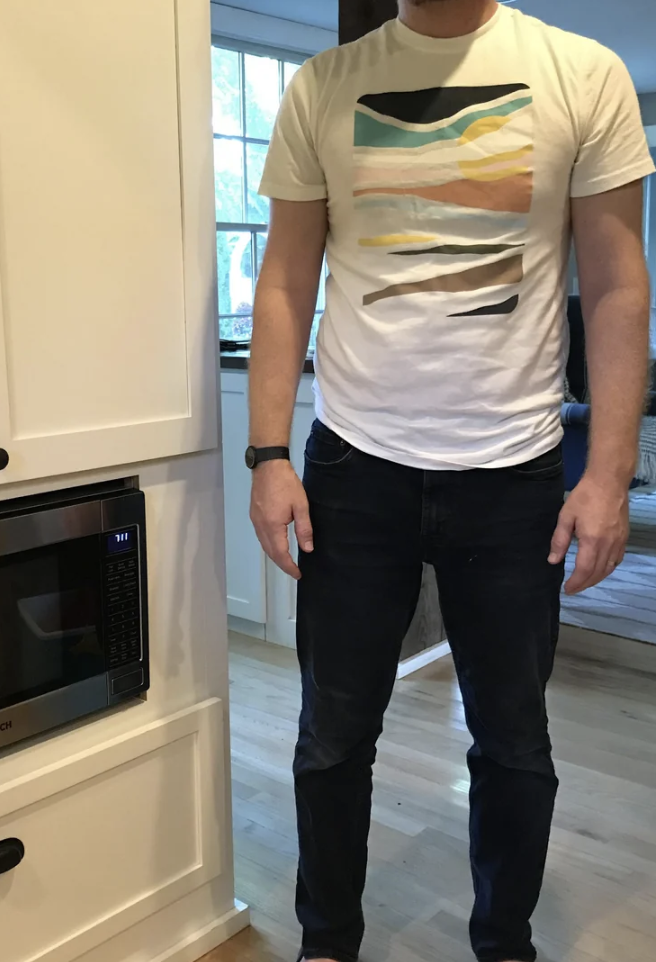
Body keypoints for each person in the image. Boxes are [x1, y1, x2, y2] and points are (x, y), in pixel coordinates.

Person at [246, 1, 655, 960]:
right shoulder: (322, 86)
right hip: (354, 470)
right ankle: (326, 941)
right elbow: (285, 279)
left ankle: (503, 941)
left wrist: (609, 473)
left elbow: (618, 282)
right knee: (332, 736)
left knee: (513, 741)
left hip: (513, 474)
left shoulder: (581, 72)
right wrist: (268, 454)